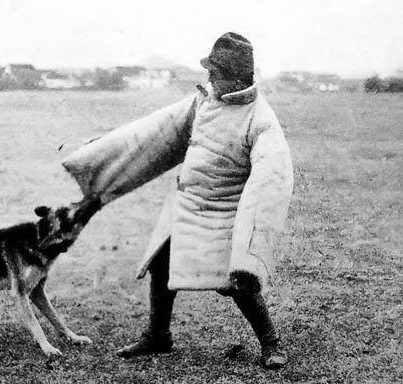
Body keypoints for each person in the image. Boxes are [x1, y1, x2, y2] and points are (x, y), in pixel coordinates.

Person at [62, 32, 293, 369]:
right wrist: (100, 152)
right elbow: (154, 135)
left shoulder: (261, 121)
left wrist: (250, 253)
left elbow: (269, 183)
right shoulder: (204, 100)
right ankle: (158, 335)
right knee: (160, 263)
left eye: (216, 72)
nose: (209, 77)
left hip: (224, 212)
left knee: (238, 282)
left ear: (237, 77)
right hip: (185, 204)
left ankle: (271, 344)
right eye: (209, 71)